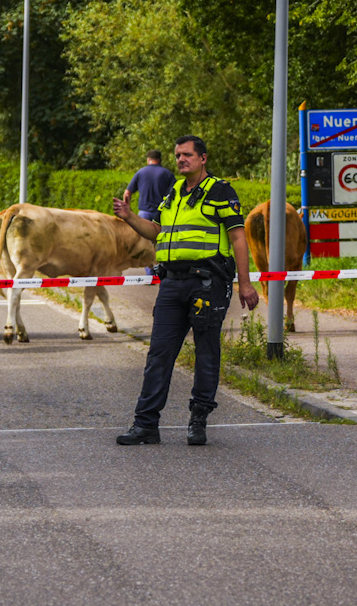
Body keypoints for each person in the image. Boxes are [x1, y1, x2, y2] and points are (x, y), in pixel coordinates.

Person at [110, 135, 260, 447]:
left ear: (203, 158)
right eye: (178, 155)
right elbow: (157, 232)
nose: (181, 160)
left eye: (187, 155)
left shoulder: (221, 191)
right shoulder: (174, 192)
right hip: (171, 284)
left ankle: (198, 420)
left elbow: (238, 238)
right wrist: (130, 217)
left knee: (206, 353)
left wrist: (245, 284)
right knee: (158, 355)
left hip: (207, 283)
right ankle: (146, 425)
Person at [123, 149, 176, 222]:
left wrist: (128, 211)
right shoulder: (167, 174)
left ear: (148, 160)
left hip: (144, 213)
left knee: (142, 233)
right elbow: (176, 193)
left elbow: (127, 194)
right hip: (162, 213)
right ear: (160, 160)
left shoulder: (140, 172)